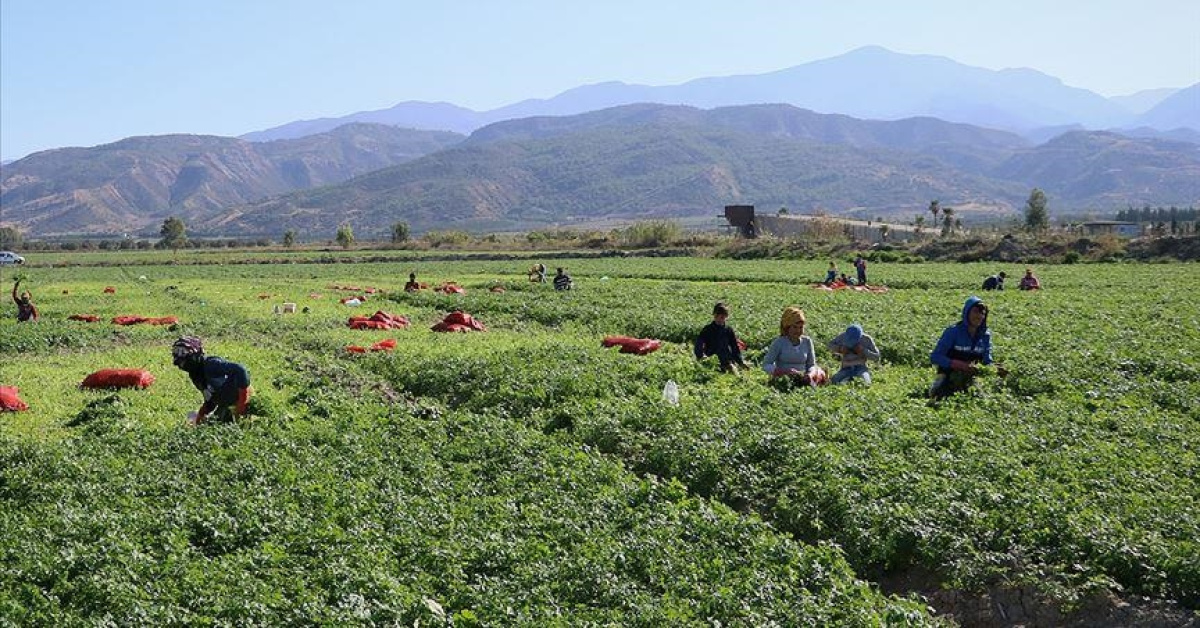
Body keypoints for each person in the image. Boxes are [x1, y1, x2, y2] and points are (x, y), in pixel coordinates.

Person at [928, 296, 1006, 399]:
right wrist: (959, 365)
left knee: (978, 397)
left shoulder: (985, 335)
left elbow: (987, 360)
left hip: (971, 375)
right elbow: (935, 357)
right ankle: (939, 383)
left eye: (982, 313)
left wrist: (994, 368)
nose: (979, 316)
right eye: (975, 312)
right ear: (966, 313)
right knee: (942, 395)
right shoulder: (953, 332)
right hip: (949, 373)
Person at [172, 336, 252, 425]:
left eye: (183, 352)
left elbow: (240, 370)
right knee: (212, 424)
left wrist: (242, 402)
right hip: (226, 406)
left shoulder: (211, 364)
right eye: (176, 353)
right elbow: (210, 398)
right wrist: (201, 415)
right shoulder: (195, 375)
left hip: (241, 402)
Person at [763, 306, 825, 387]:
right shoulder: (779, 342)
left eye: (801, 327)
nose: (798, 331)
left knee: (819, 372)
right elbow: (766, 365)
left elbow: (812, 365)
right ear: (787, 327)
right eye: (795, 327)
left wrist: (810, 374)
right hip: (784, 379)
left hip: (804, 378)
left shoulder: (807, 341)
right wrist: (783, 372)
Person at [694, 302, 749, 373]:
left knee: (733, 370)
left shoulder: (728, 330)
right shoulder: (707, 329)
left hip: (726, 359)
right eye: (717, 316)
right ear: (714, 315)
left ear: (726, 317)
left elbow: (734, 347)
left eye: (722, 317)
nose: (719, 319)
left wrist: (740, 362)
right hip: (711, 360)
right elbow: (699, 344)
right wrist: (701, 356)